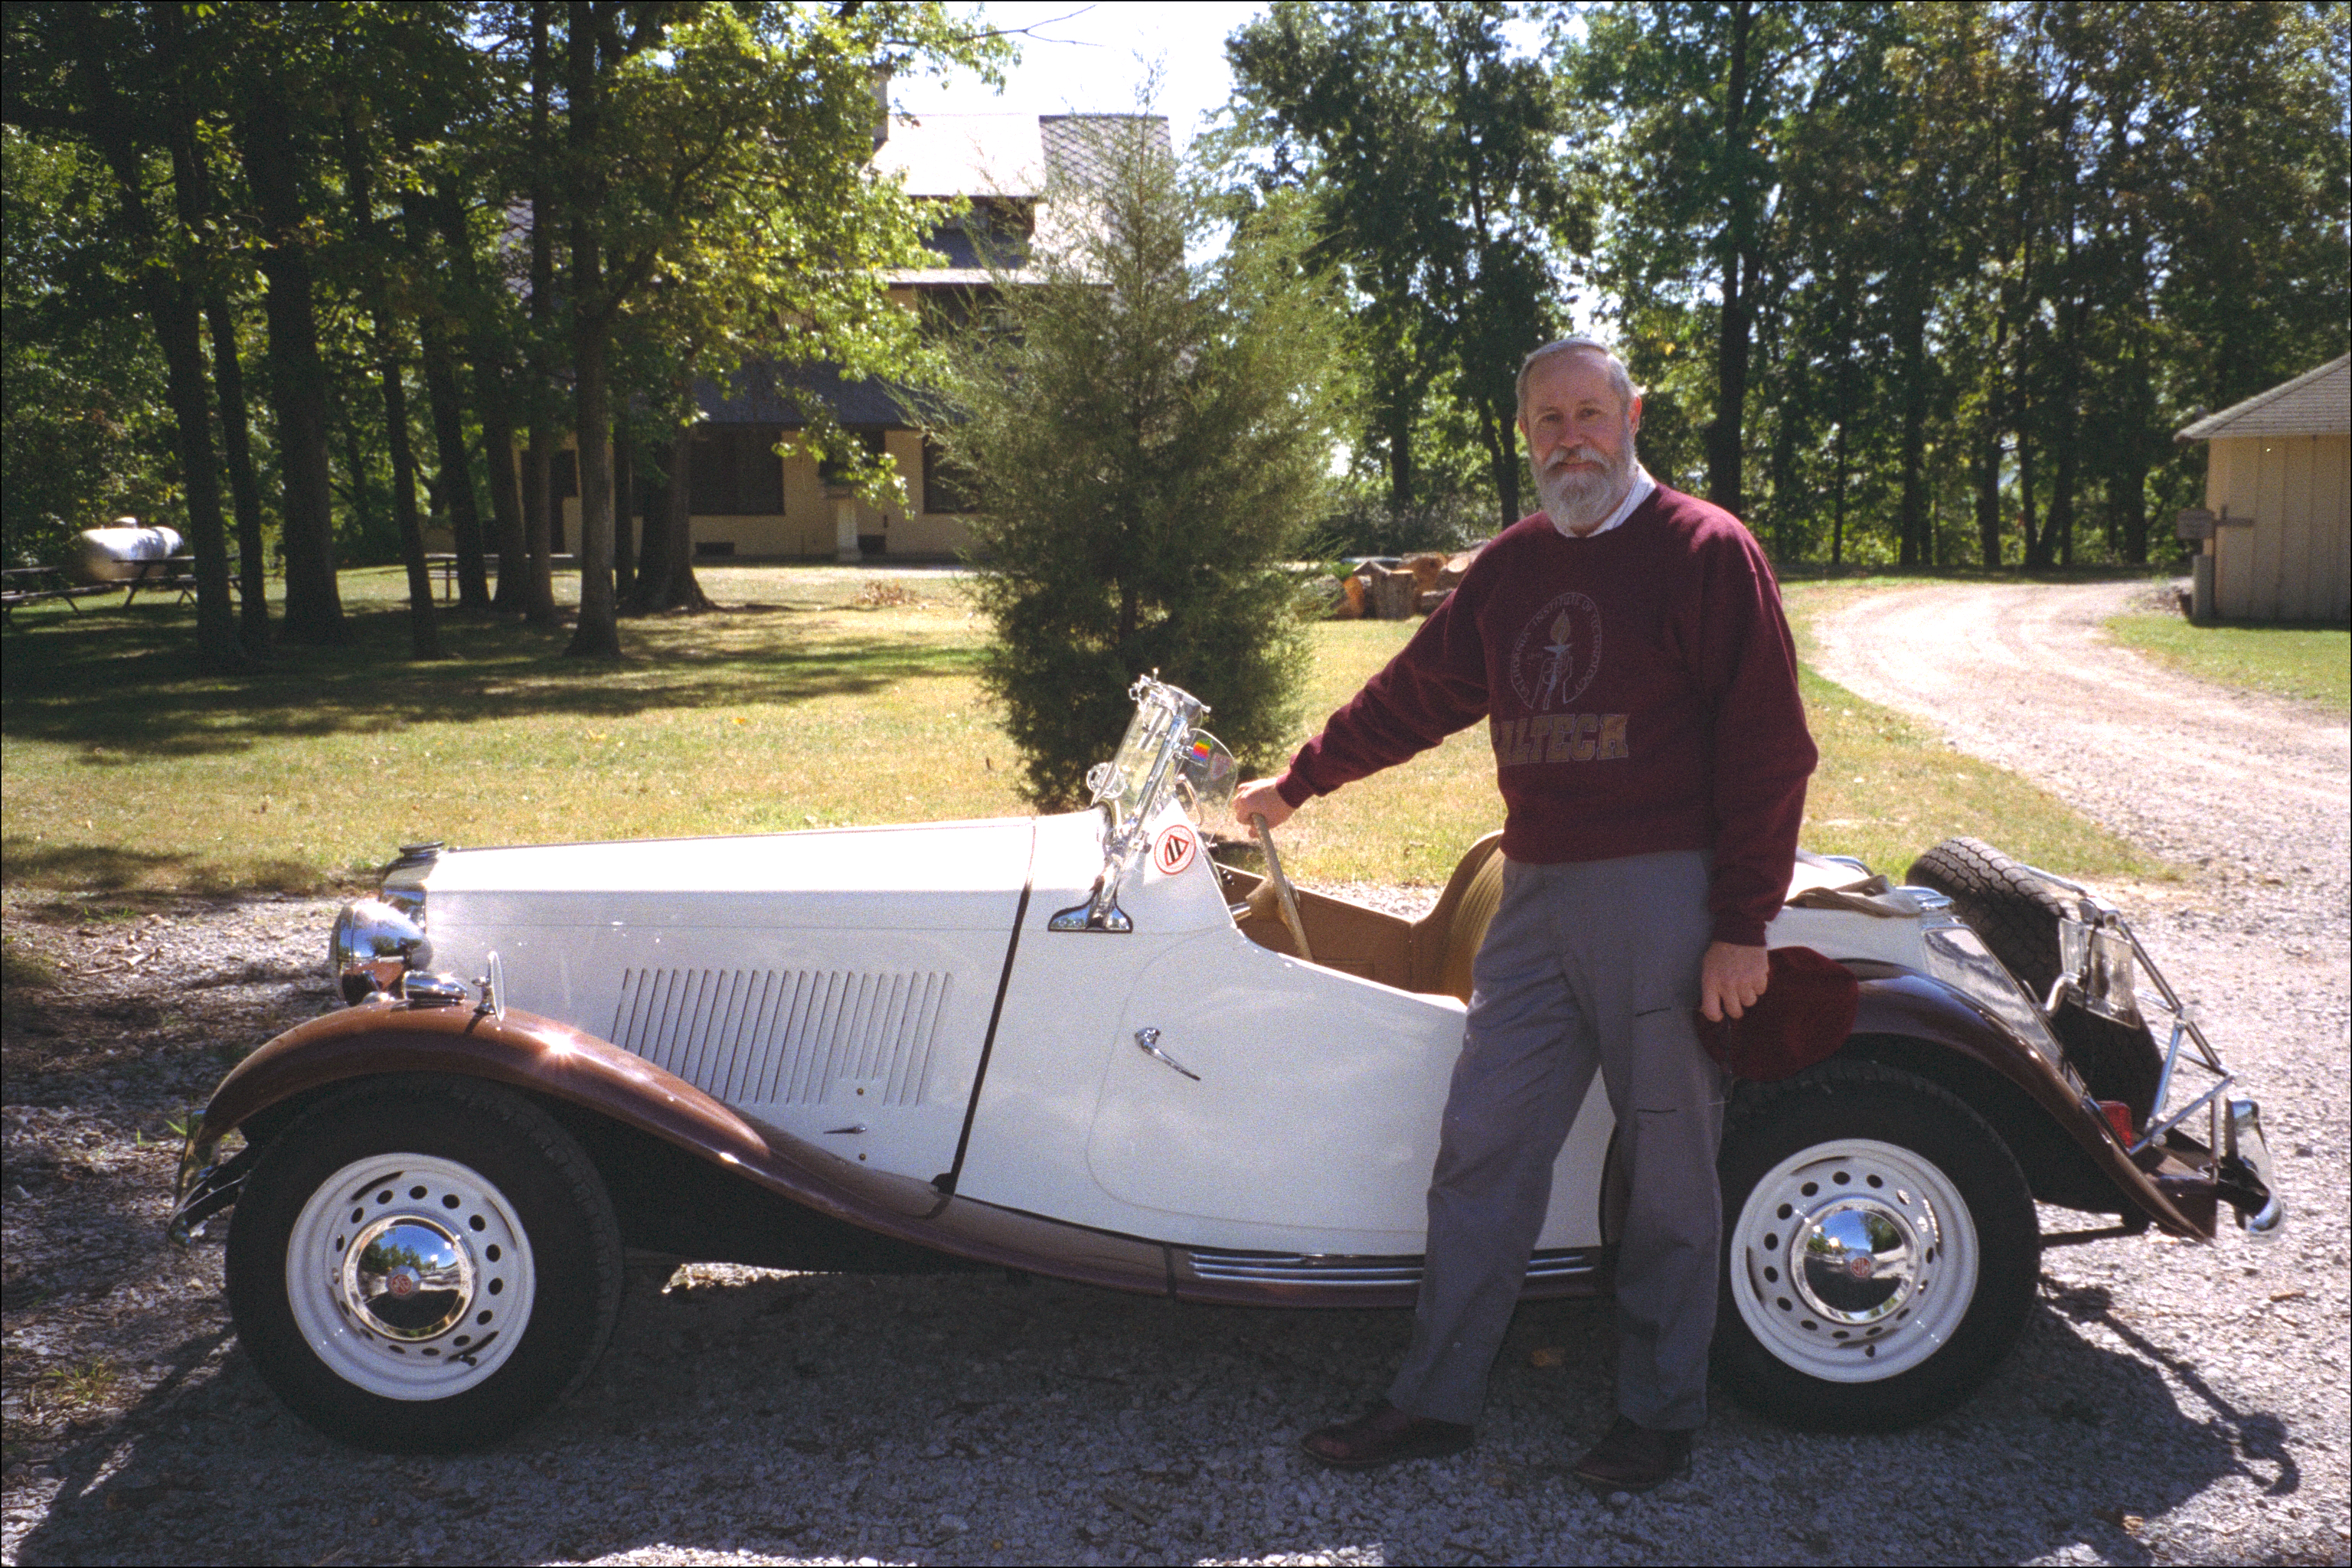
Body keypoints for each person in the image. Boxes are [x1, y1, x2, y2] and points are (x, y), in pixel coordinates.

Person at [1230, 337, 1816, 1492]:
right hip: (1538, 890)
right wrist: (1299, 782)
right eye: (1548, 421)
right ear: (1524, 434)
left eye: (1590, 414)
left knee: (1667, 1166)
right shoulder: (1509, 569)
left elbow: (1769, 749)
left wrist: (1742, 924)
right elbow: (1417, 693)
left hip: (1666, 892)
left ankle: (1658, 1415)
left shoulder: (1706, 551)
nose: (1571, 439)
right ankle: (1436, 1401)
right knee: (1484, 1144)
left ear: (1632, 415)